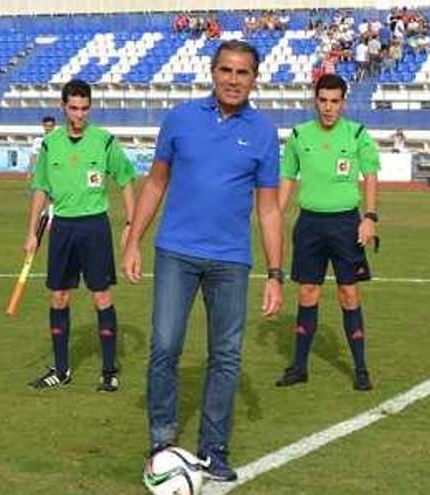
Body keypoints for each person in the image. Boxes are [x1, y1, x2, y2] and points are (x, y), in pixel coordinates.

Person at [121, 40, 283, 482]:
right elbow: (155, 185)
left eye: (243, 72)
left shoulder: (265, 133)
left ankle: (214, 450)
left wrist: (274, 274)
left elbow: (268, 209)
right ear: (212, 72)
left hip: (231, 262)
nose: (233, 79)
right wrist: (133, 239)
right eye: (226, 70)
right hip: (176, 253)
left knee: (226, 356)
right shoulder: (180, 119)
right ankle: (162, 443)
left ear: (254, 79)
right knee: (165, 347)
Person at [25, 79, 136, 392]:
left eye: (85, 108)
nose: (79, 115)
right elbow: (41, 189)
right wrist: (32, 233)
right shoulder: (51, 144)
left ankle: (109, 371)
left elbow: (126, 180)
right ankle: (61, 370)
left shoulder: (104, 141)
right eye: (73, 108)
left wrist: (130, 224)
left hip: (94, 227)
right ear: (63, 108)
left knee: (101, 296)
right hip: (62, 227)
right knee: (58, 296)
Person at [276, 73, 380, 392]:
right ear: (315, 100)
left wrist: (370, 217)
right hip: (310, 224)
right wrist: (274, 216)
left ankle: (361, 369)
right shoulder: (298, 135)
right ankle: (299, 367)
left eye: (335, 101)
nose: (328, 107)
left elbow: (370, 176)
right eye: (323, 100)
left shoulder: (358, 134)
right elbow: (287, 179)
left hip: (346, 224)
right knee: (308, 293)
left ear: (343, 102)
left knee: (349, 294)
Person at [28, 115, 56, 180]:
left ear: (54, 126)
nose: (48, 128)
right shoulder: (38, 140)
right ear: (43, 126)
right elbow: (33, 156)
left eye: (50, 126)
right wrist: (29, 172)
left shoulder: (58, 140)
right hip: (41, 171)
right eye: (46, 126)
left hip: (55, 171)